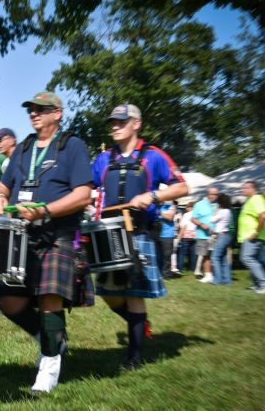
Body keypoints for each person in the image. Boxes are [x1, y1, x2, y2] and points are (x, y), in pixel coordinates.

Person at [0, 91, 94, 394]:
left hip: (57, 235)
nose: (34, 114)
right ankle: (50, 339)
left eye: (40, 109)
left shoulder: (72, 146)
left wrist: (46, 209)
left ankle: (48, 367)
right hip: (23, 236)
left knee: (49, 296)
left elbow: (83, 194)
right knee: (6, 300)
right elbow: (3, 185)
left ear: (57, 114)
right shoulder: (23, 148)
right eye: (31, 110)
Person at [91, 104, 189, 370]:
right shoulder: (103, 159)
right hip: (109, 234)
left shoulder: (153, 156)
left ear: (136, 124)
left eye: (121, 122)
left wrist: (153, 195)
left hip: (140, 232)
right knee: (109, 295)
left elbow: (182, 186)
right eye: (112, 121)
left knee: (134, 294)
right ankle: (139, 323)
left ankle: (133, 356)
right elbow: (86, 187)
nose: (114, 126)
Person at [237, 181, 265, 294]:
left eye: (245, 188)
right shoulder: (250, 200)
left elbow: (263, 216)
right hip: (250, 236)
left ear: (253, 189)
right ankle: (258, 284)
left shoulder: (256, 198)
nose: (242, 190)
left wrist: (255, 232)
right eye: (242, 187)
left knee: (246, 258)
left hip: (253, 236)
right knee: (255, 259)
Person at [191, 188, 218, 283]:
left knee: (215, 255)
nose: (214, 196)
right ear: (208, 194)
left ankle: (216, 275)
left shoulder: (218, 205)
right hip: (202, 235)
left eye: (216, 194)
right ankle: (208, 275)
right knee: (205, 255)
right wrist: (201, 224)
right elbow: (193, 219)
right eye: (212, 194)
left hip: (216, 235)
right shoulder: (199, 204)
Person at [210, 193, 233, 285]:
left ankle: (218, 280)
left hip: (222, 236)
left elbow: (212, 220)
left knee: (215, 257)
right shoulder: (228, 211)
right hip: (226, 235)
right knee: (223, 258)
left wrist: (216, 210)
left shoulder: (222, 211)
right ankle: (227, 280)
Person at [156, 201, 180, 279]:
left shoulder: (170, 205)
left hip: (167, 235)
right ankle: (158, 273)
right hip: (156, 233)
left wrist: (159, 212)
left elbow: (170, 217)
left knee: (166, 256)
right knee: (157, 255)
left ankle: (166, 274)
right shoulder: (155, 205)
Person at [177, 201, 197, 273]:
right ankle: (193, 268)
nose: (186, 208)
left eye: (187, 207)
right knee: (193, 253)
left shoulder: (186, 215)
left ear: (190, 207)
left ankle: (180, 268)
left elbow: (183, 226)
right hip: (195, 235)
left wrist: (179, 237)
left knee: (182, 253)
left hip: (186, 235)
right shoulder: (197, 215)